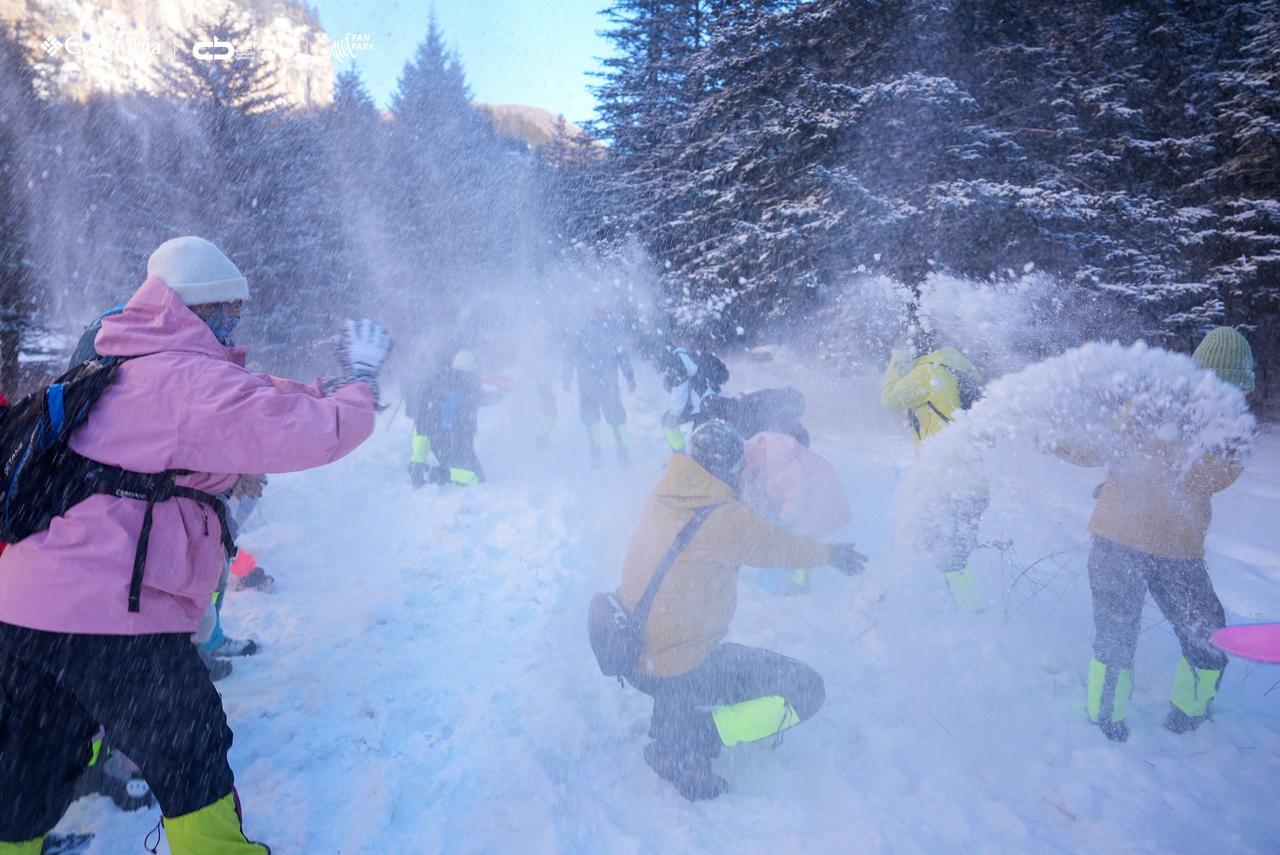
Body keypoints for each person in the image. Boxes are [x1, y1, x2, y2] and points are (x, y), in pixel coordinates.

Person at [0, 235, 390, 853]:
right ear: (197, 306)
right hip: (108, 610)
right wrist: (361, 384)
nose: (234, 319)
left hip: (23, 607)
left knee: (31, 756)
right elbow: (312, 433)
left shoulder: (122, 363)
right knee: (189, 747)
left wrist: (329, 385)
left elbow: (255, 396)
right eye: (228, 307)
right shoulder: (187, 380)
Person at [616, 420, 868, 800]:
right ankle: (697, 735)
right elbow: (779, 547)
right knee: (806, 691)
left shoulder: (664, 490)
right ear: (730, 468)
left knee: (688, 655)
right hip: (679, 663)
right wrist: (830, 554)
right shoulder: (725, 517)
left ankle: (674, 714)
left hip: (636, 652)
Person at [1055, 327, 1254, 743]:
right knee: (1116, 637)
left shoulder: (1233, 433)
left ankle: (1189, 719)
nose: (1233, 398)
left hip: (1178, 552)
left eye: (1238, 391)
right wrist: (1054, 438)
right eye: (1222, 387)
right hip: (1117, 540)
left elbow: (1211, 478)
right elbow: (1095, 445)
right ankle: (1105, 723)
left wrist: (1179, 439)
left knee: (1209, 637)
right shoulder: (1150, 403)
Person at [882, 335, 987, 611]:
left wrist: (897, 356)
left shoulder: (929, 372)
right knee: (951, 557)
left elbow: (890, 399)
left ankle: (965, 612)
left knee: (925, 549)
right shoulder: (964, 372)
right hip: (973, 486)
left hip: (945, 485)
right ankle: (964, 610)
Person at [408, 350, 505, 487]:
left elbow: (424, 411)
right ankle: (438, 474)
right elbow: (485, 398)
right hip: (457, 441)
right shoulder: (468, 384)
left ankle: (425, 469)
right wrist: (504, 392)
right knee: (476, 477)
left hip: (438, 439)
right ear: (470, 367)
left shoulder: (440, 379)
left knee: (455, 465)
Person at [563, 318, 637, 466]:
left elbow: (621, 353)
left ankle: (623, 452)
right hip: (586, 383)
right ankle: (596, 453)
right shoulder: (579, 326)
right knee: (590, 420)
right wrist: (566, 375)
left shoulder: (611, 325)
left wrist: (629, 375)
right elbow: (570, 354)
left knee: (617, 419)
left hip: (608, 383)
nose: (593, 309)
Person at [660, 345, 728, 451]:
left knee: (667, 422)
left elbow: (680, 391)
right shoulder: (702, 356)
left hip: (701, 406)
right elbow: (725, 377)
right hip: (716, 402)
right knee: (705, 435)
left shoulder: (677, 360)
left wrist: (674, 414)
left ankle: (680, 453)